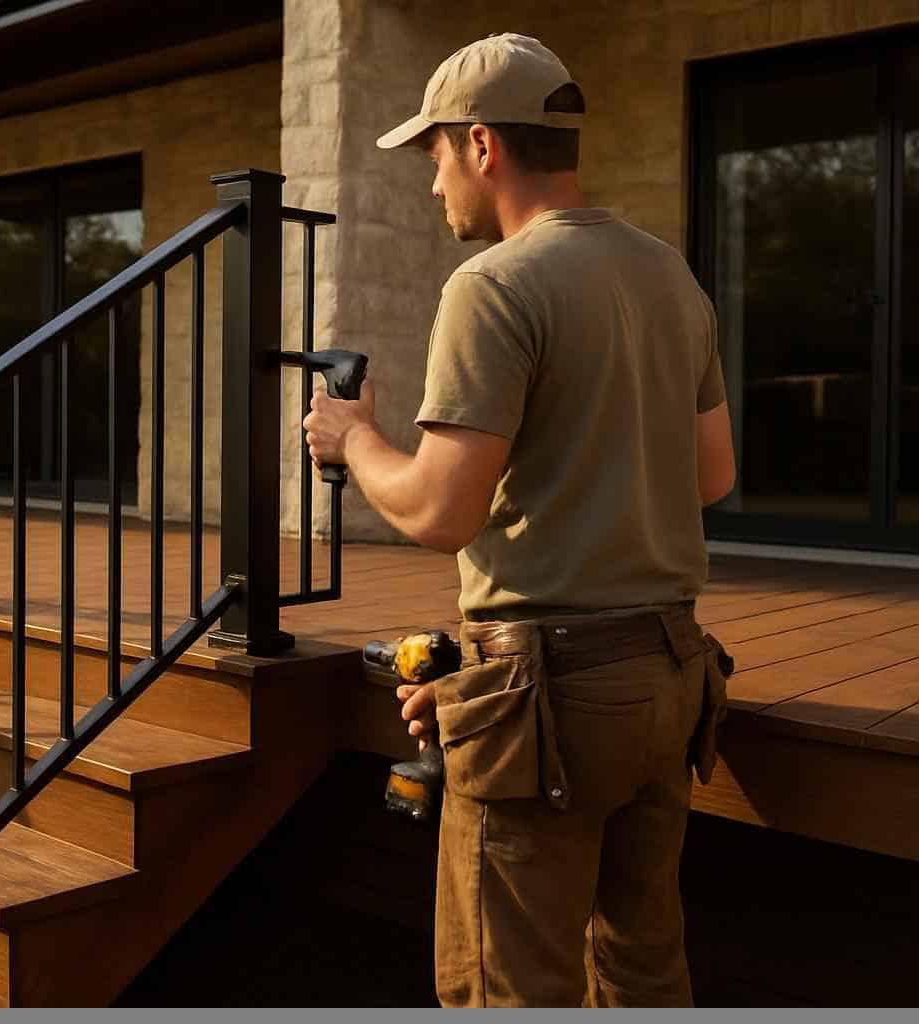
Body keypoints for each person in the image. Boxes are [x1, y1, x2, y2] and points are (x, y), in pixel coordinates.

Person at [302, 33, 738, 1007]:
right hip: (670, 677)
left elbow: (438, 510)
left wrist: (354, 439)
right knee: (640, 973)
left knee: (509, 989)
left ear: (483, 145)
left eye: (435, 156)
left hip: (554, 705)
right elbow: (713, 475)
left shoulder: (492, 285)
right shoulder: (673, 277)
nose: (433, 185)